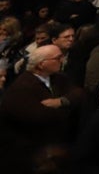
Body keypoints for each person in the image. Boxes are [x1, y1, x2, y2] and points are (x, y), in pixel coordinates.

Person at [0, 44, 84, 172]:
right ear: (41, 64)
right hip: (31, 154)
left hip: (56, 146)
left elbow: (79, 93)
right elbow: (39, 118)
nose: (62, 60)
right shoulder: (22, 87)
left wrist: (61, 101)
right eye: (57, 58)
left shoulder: (59, 78)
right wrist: (68, 109)